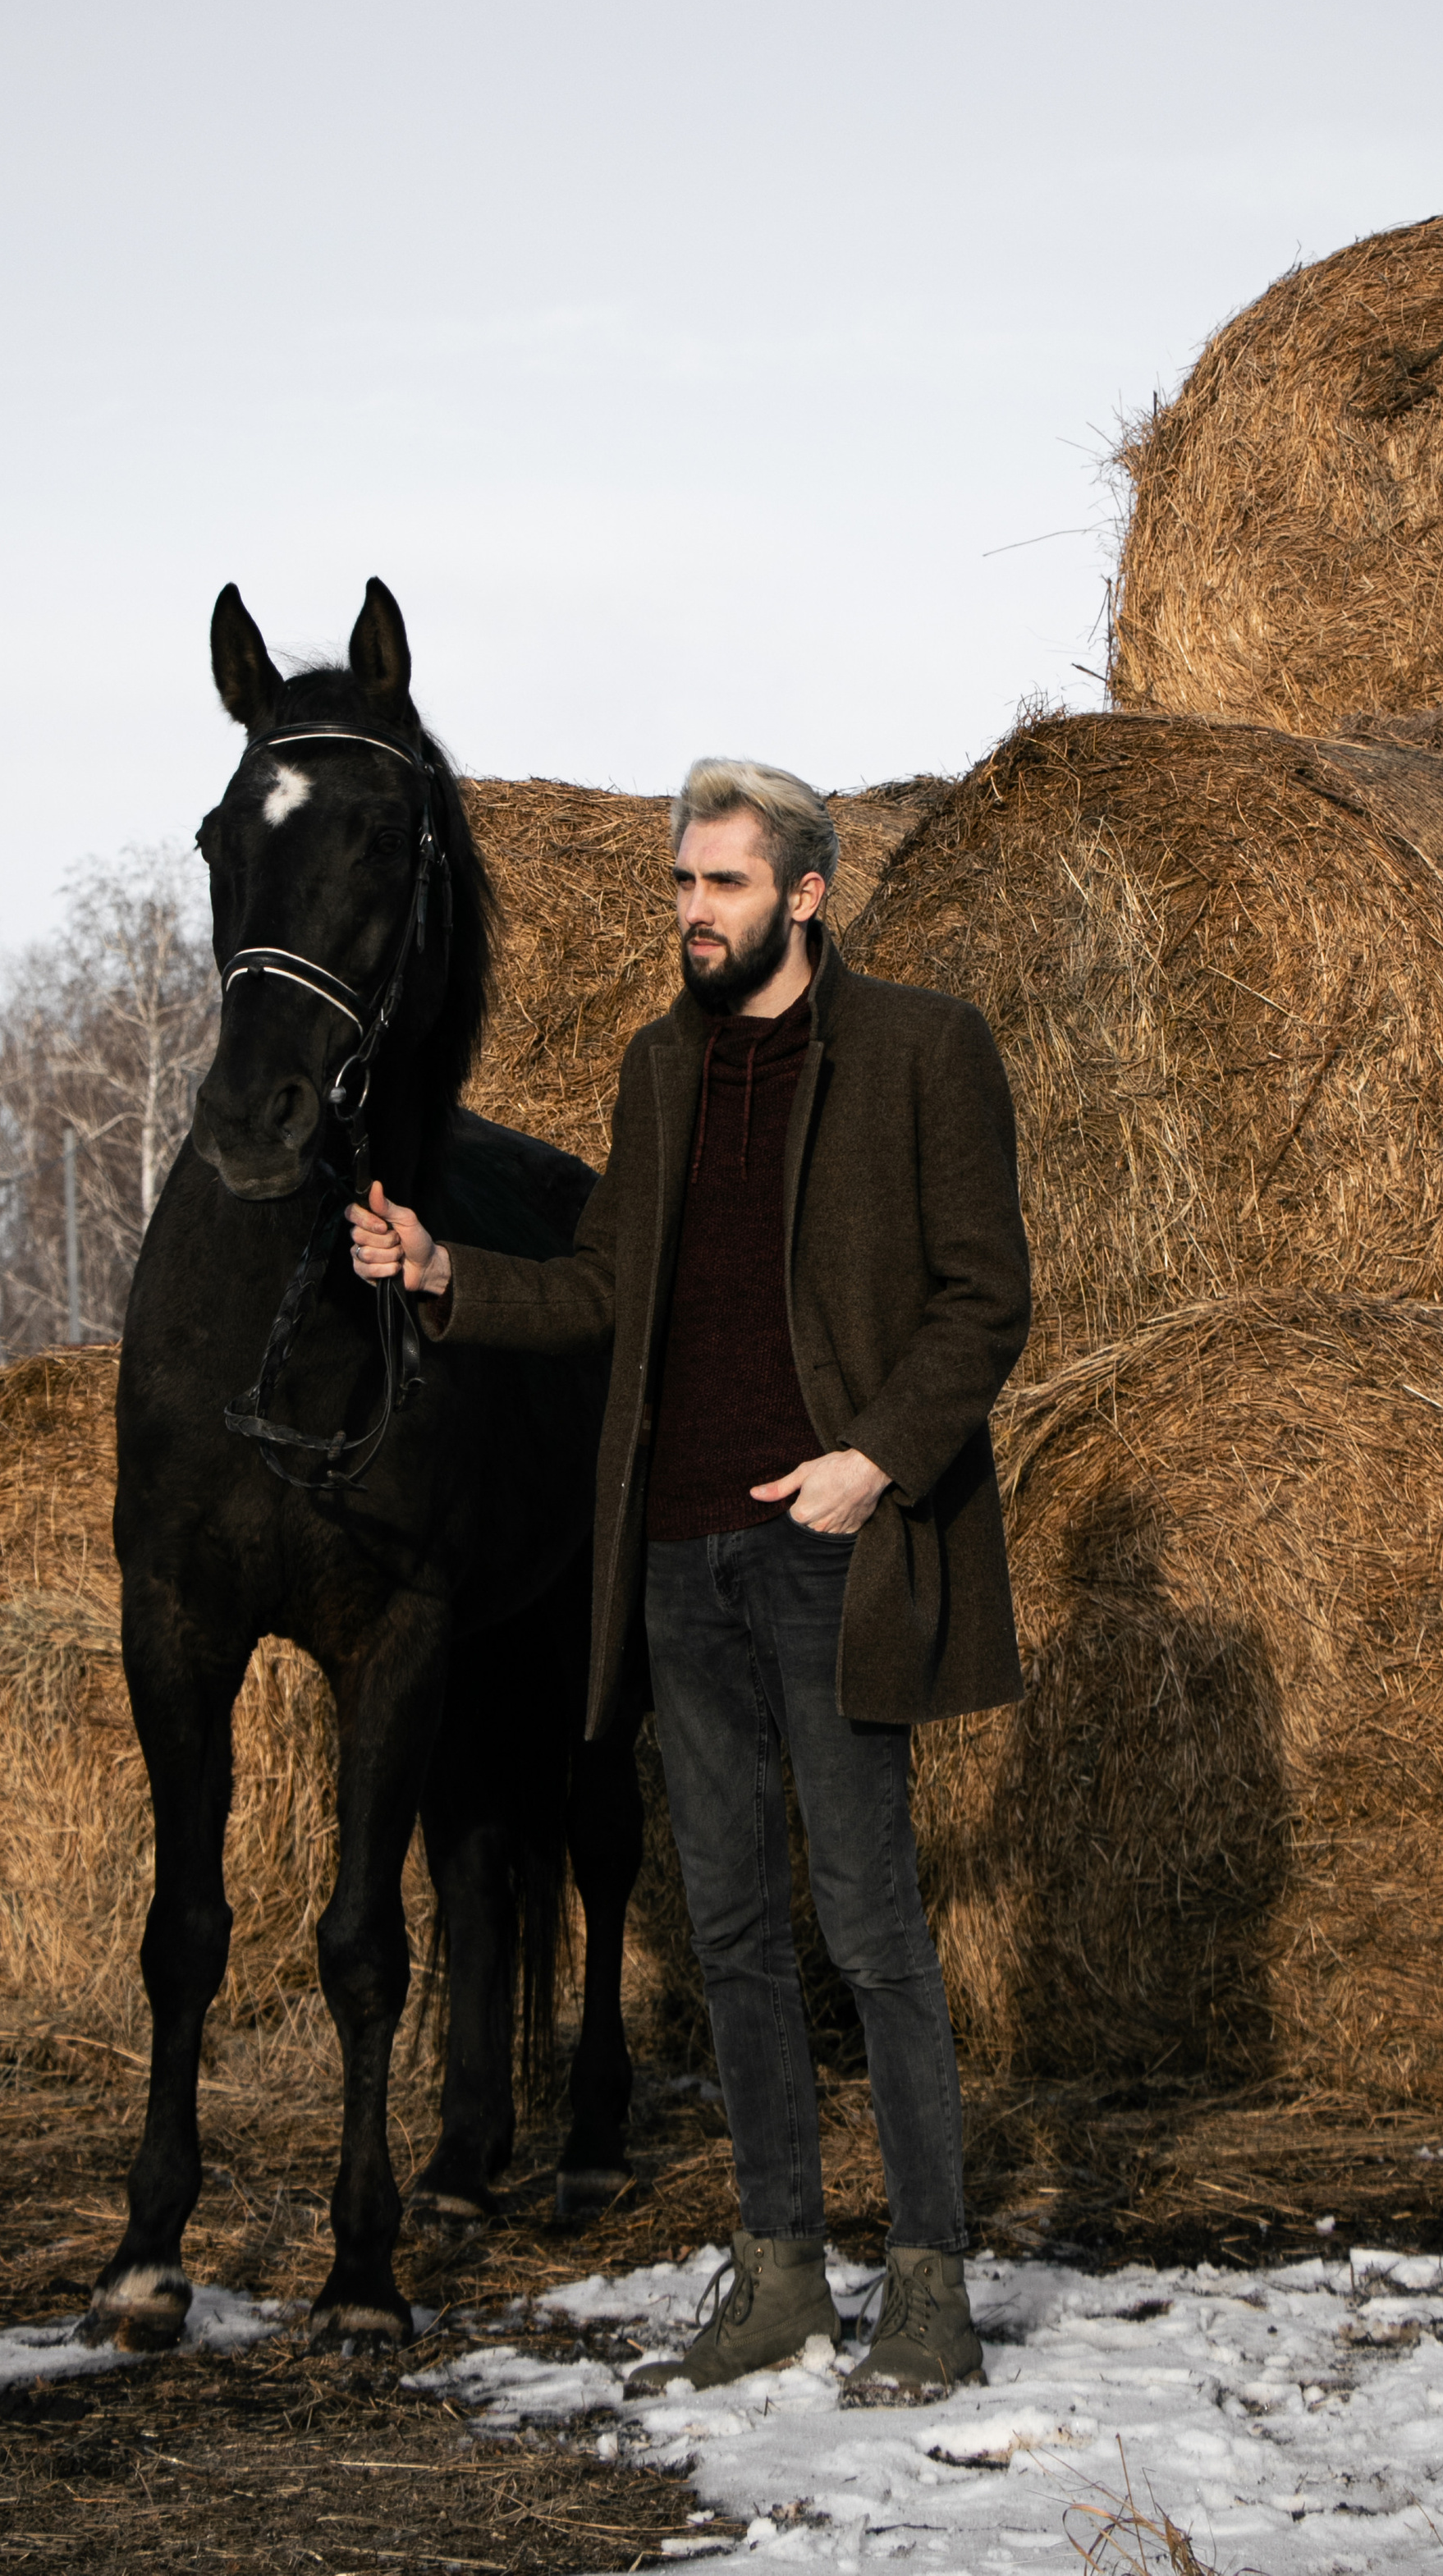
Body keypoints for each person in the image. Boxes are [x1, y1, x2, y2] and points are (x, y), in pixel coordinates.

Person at [350, 758, 1030, 2402]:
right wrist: (447, 1276)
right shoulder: (658, 1070)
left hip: (826, 1547)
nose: (690, 912)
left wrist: (872, 1460)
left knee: (868, 1926)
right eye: (677, 884)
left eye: (719, 884)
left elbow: (982, 1296)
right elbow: (600, 1286)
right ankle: (784, 2268)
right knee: (728, 1927)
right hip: (670, 1557)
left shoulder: (923, 1048)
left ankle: (927, 2288)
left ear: (805, 893)